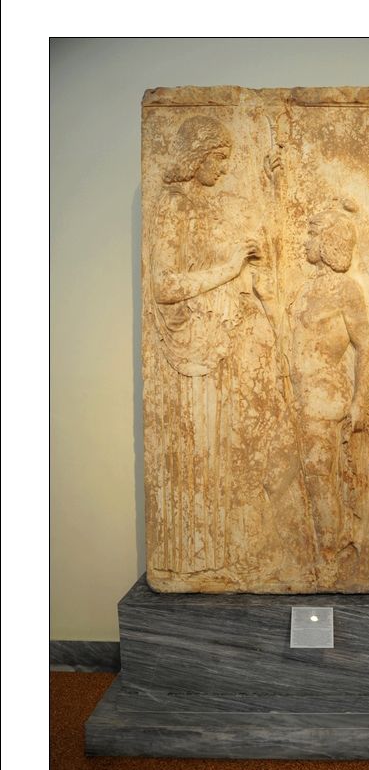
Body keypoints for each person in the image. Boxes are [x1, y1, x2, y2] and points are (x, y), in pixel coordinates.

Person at [146, 116, 307, 586]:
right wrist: (230, 268)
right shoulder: (171, 206)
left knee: (230, 454)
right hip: (197, 355)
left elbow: (249, 245)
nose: (221, 168)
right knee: (203, 455)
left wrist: (272, 187)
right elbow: (164, 286)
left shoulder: (208, 205)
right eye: (217, 158)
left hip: (223, 346)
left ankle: (226, 553)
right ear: (196, 156)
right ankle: (197, 561)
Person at [288, 207, 369, 586]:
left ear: (327, 243)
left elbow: (365, 346)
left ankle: (329, 557)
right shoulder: (306, 289)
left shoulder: (346, 289)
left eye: (312, 235)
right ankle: (319, 547)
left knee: (320, 476)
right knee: (310, 476)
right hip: (299, 396)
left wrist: (360, 400)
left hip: (324, 398)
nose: (305, 242)